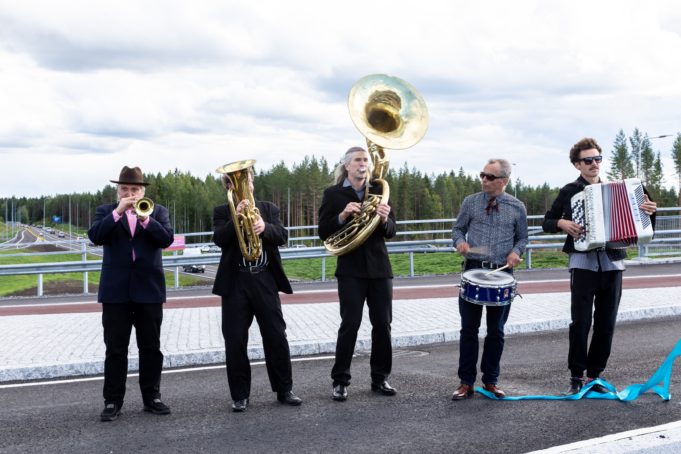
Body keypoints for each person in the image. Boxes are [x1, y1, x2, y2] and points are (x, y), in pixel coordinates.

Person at [542, 137, 657, 395]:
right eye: (588, 160)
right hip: (583, 264)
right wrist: (562, 224)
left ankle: (594, 375)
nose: (594, 164)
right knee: (580, 322)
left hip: (613, 263)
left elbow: (643, 228)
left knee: (606, 323)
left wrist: (650, 212)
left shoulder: (624, 191)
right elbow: (547, 221)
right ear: (577, 165)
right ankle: (576, 375)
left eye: (597, 159)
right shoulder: (570, 191)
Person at [88, 166, 174, 422]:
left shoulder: (157, 211)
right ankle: (113, 401)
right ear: (118, 192)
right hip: (116, 291)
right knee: (115, 349)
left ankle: (152, 398)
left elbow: (166, 240)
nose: (130, 193)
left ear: (143, 191)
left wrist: (145, 218)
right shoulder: (106, 212)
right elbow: (95, 236)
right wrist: (118, 212)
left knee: (151, 348)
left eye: (134, 189)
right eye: (125, 189)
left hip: (149, 289)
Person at [212, 167, 302, 412]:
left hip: (264, 280)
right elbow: (219, 239)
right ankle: (240, 395)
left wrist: (265, 228)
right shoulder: (222, 211)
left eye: (247, 180)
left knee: (276, 336)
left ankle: (284, 390)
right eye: (237, 183)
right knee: (235, 341)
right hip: (236, 283)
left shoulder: (268, 208)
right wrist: (234, 218)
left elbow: (281, 235)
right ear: (228, 187)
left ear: (252, 183)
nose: (244, 186)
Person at [318, 146, 397, 402]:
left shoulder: (379, 190)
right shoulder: (333, 193)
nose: (363, 164)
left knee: (383, 326)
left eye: (366, 160)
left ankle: (380, 378)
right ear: (347, 165)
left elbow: (391, 231)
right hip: (351, 269)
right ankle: (340, 381)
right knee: (349, 324)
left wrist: (384, 219)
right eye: (358, 160)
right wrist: (342, 215)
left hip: (379, 269)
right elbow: (323, 231)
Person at [451, 158, 528, 400]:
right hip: (473, 269)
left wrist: (517, 252)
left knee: (496, 331)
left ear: (504, 181)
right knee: (468, 330)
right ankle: (466, 382)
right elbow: (457, 229)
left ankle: (491, 381)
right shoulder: (470, 202)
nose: (484, 179)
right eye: (482, 175)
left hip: (502, 274)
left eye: (490, 176)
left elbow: (522, 238)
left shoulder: (517, 207)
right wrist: (460, 242)